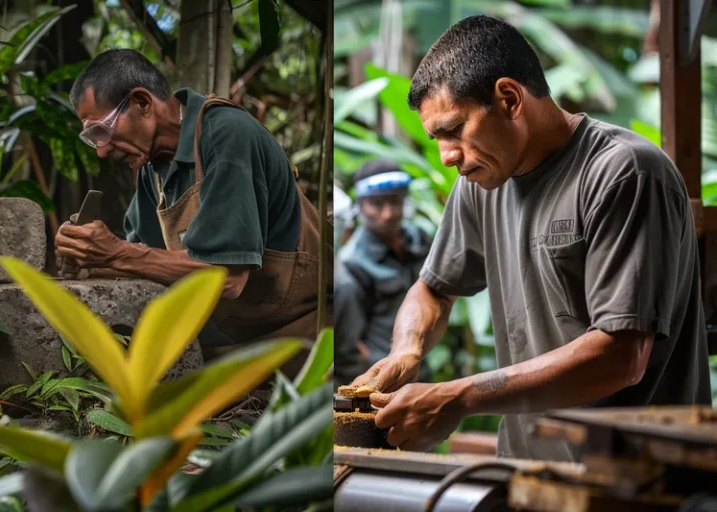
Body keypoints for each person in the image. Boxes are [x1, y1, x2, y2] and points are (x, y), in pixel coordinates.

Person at [350, 15, 711, 462]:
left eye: (453, 130)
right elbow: (433, 288)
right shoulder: (481, 183)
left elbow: (622, 356)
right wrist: (408, 347)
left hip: (635, 477)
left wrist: (457, 397)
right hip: (525, 469)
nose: (446, 156)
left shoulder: (624, 172)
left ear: (509, 98)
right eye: (437, 138)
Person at [55, 49, 332, 351]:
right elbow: (145, 258)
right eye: (92, 138)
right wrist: (88, 258)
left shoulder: (226, 135)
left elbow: (228, 277)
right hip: (234, 338)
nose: (101, 151)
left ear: (142, 103)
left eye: (101, 131)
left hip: (302, 335)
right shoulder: (152, 167)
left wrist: (113, 253)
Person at [334, 161, 432, 387]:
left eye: (395, 201)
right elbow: (348, 345)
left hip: (421, 370)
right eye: (377, 204)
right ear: (360, 205)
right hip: (384, 381)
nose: (388, 214)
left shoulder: (419, 239)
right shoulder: (353, 264)